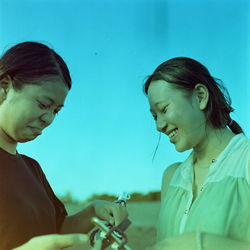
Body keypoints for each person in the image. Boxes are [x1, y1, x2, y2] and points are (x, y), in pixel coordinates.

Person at [0, 41, 127, 250]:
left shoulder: (33, 169)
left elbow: (56, 232)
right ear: (5, 87)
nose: (49, 118)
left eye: (56, 111)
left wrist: (92, 212)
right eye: (43, 104)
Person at [143, 57, 250, 249]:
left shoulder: (246, 161)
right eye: (154, 116)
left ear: (200, 96)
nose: (159, 125)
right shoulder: (171, 177)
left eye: (164, 109)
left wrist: (200, 243)